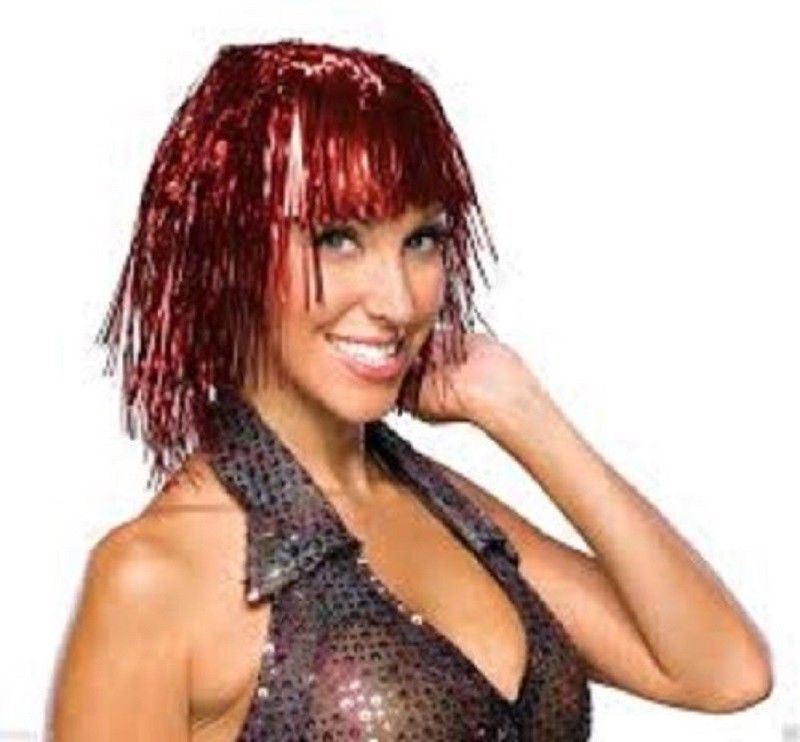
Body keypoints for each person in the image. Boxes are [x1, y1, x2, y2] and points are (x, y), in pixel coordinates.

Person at [47, 41, 772, 740]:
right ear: (226, 253)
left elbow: (722, 673)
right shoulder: (155, 575)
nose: (397, 301)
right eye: (336, 238)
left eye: (421, 239)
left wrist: (520, 411)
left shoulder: (443, 506)